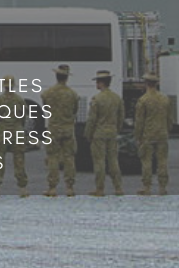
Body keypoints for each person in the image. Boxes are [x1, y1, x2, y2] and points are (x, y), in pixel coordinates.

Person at [41, 64, 79, 197]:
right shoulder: (73, 94)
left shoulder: (48, 93)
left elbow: (45, 107)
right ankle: (70, 187)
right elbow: (75, 111)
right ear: (67, 78)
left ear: (56, 76)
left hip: (54, 128)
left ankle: (52, 188)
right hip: (68, 128)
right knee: (69, 157)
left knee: (53, 157)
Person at [84, 70, 124, 197]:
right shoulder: (117, 98)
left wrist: (88, 134)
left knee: (99, 162)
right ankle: (118, 187)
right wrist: (116, 129)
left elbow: (92, 119)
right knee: (113, 160)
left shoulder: (97, 99)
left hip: (99, 133)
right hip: (112, 132)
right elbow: (121, 117)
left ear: (101, 83)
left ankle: (100, 189)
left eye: (97, 81)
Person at [0, 75, 29, 198]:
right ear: (13, 84)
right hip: (17, 131)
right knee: (19, 160)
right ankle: (22, 188)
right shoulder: (20, 100)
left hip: (2, 132)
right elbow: (23, 117)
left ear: (3, 85)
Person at [134, 72, 172, 195]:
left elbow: (139, 121)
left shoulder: (143, 100)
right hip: (162, 134)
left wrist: (137, 137)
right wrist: (167, 130)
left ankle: (147, 187)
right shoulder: (165, 99)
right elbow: (169, 119)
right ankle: (162, 187)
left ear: (146, 83)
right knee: (162, 161)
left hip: (148, 135)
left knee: (146, 161)